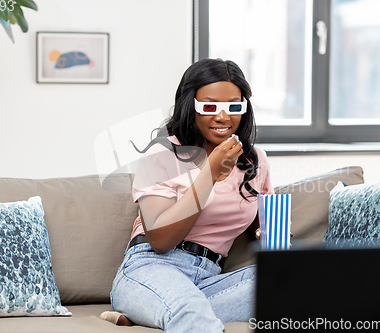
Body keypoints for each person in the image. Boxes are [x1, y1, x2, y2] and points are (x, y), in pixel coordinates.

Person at [100, 58, 274, 332]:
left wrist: (266, 234)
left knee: (290, 284)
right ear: (189, 105)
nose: (222, 116)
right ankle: (158, 306)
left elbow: (267, 227)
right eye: (209, 106)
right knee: (190, 309)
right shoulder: (162, 154)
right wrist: (210, 174)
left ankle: (150, 312)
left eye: (234, 107)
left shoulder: (255, 161)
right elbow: (160, 239)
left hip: (209, 279)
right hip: (152, 267)